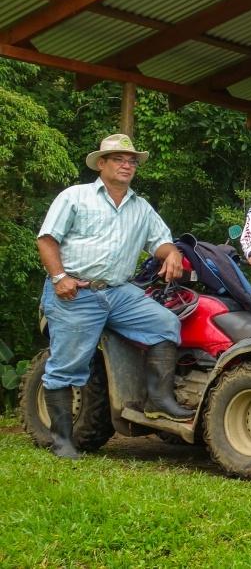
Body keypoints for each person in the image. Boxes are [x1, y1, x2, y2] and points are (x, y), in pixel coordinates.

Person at [36, 134, 193, 458]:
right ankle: (63, 439)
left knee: (165, 322)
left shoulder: (140, 206)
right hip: (76, 290)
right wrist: (59, 277)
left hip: (119, 291)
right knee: (68, 366)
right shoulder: (76, 197)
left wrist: (172, 253)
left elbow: (160, 241)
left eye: (132, 160)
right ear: (102, 164)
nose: (127, 165)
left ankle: (158, 400)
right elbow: (47, 240)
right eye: (119, 159)